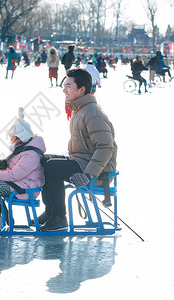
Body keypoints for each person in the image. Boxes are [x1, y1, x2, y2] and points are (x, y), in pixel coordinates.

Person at [39, 68, 117, 231]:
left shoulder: (92, 113)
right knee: (43, 159)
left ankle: (59, 217)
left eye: (68, 86)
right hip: (82, 161)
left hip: (99, 171)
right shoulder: (80, 109)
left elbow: (106, 147)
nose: (64, 90)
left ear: (82, 89)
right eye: (64, 85)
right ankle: (51, 211)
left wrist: (88, 175)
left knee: (53, 167)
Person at [0, 108, 46, 229]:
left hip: (27, 188)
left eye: (13, 139)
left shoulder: (31, 155)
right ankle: (0, 215)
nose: (11, 142)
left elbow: (15, 174)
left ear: (21, 138)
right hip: (20, 184)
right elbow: (10, 170)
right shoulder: (21, 149)